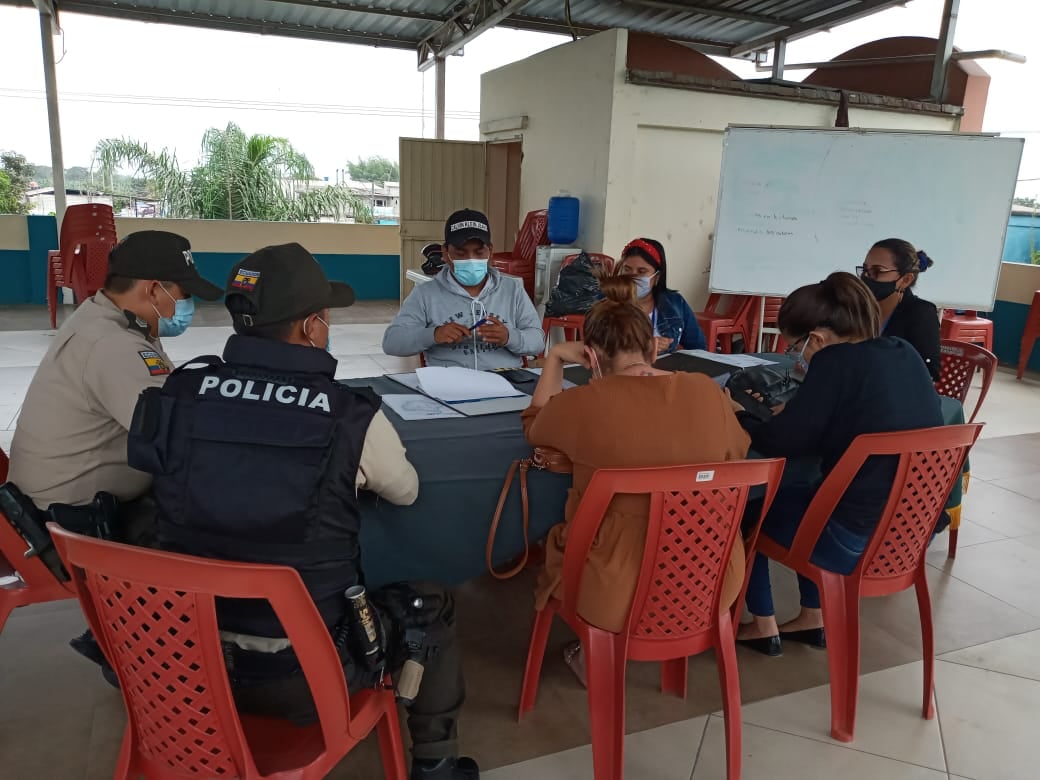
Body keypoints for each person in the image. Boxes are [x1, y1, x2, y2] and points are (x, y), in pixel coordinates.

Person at [127, 243, 478, 780]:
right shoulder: (348, 416)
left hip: (181, 664)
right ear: (312, 326)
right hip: (306, 674)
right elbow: (405, 491)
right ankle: (436, 764)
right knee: (430, 603)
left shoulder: (179, 392)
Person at [522, 275, 750, 682]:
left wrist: (554, 357)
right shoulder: (707, 392)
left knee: (557, 542)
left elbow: (535, 426)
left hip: (612, 593)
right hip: (713, 580)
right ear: (654, 348)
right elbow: (738, 450)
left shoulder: (584, 403)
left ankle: (589, 655)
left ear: (590, 358)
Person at [734, 272, 943, 656]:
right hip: (912, 535)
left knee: (750, 507)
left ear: (816, 339)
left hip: (854, 540)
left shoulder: (833, 362)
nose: (795, 357)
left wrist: (740, 415)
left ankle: (762, 625)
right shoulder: (904, 351)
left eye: (794, 347)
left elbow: (781, 441)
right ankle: (811, 618)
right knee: (807, 492)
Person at [8, 229, 222, 539]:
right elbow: (181, 440)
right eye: (184, 293)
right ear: (153, 290)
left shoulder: (110, 319)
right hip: (74, 527)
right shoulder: (113, 344)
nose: (187, 304)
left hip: (64, 509)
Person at [383, 209, 543, 369]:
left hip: (506, 378)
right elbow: (392, 342)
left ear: (490, 251)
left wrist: (509, 337)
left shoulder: (512, 290)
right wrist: (434, 334)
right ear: (445, 253)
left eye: (479, 252)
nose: (471, 259)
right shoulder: (425, 294)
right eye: (460, 253)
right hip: (448, 381)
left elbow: (538, 341)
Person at [857, 238, 941, 381]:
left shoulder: (920, 313)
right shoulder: (857, 307)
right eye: (865, 270)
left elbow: (929, 371)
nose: (867, 277)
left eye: (877, 271)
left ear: (906, 279)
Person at [617, 238, 707, 354]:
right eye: (627, 269)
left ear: (657, 277)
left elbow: (698, 348)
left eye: (641, 271)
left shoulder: (675, 303)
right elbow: (598, 349)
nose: (632, 277)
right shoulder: (605, 303)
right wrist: (640, 347)